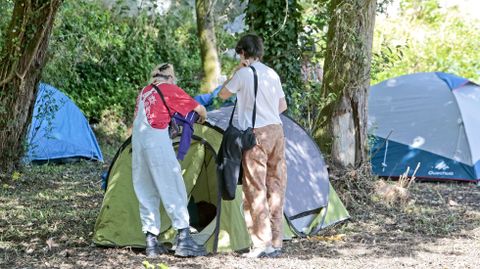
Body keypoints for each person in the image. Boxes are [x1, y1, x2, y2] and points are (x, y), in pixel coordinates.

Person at [218, 34, 288, 258]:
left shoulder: (244, 74)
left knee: (254, 189)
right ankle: (275, 242)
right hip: (277, 132)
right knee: (275, 186)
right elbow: (283, 106)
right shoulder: (272, 73)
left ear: (242, 53)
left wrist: (238, 70)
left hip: (256, 135)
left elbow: (222, 94)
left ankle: (260, 245)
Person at [132, 63, 208, 258]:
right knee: (172, 185)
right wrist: (200, 119)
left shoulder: (144, 92)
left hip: (138, 143)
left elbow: (136, 118)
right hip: (156, 141)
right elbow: (200, 109)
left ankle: (151, 242)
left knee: (146, 189)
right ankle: (184, 239)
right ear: (171, 77)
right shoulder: (169, 89)